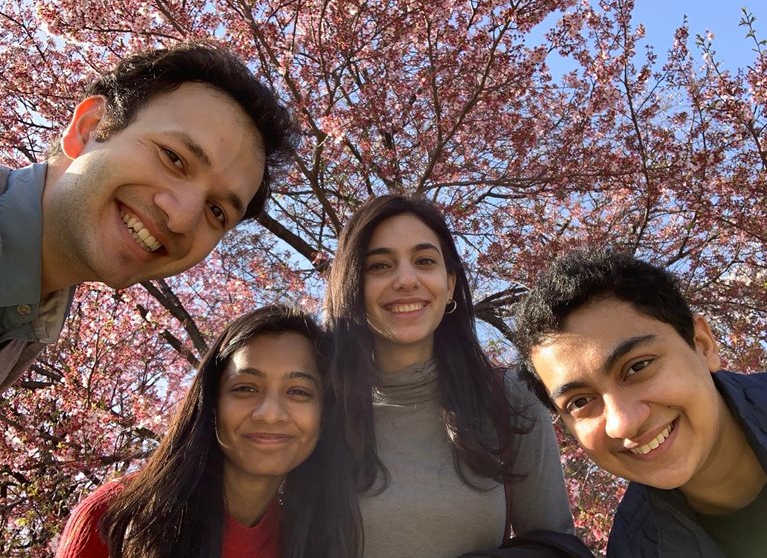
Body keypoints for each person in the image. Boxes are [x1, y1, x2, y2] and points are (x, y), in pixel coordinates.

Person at [0, 41, 295, 390]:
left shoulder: (32, 320)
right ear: (89, 128)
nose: (181, 218)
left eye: (216, 211)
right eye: (173, 158)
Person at [325, 194, 575, 557]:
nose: (406, 280)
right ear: (352, 286)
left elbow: (556, 546)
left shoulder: (508, 399)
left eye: (425, 261)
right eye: (379, 266)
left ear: (451, 283)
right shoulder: (316, 405)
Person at [512, 248, 767, 557]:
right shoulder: (634, 549)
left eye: (637, 367)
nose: (623, 423)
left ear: (702, 345)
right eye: (580, 402)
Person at [55, 304, 360, 558]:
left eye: (298, 392)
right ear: (211, 403)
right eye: (245, 388)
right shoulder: (117, 517)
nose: (270, 414)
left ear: (323, 418)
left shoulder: (312, 542)